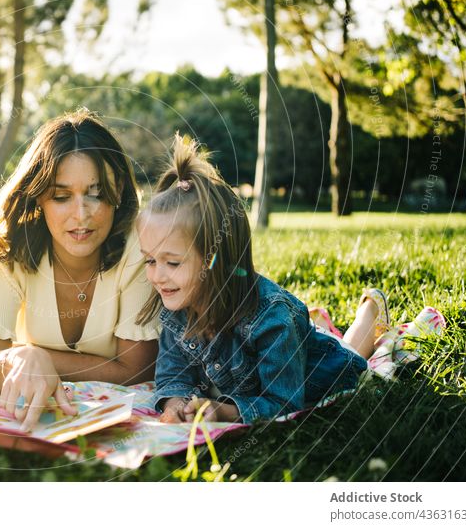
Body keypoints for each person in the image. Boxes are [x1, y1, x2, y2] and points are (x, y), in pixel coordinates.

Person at [136, 135, 390, 425]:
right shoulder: (176, 305)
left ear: (214, 259)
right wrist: (175, 404)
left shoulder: (271, 318)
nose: (157, 275)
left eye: (172, 262)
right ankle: (319, 328)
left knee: (353, 356)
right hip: (293, 345)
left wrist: (224, 412)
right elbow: (173, 374)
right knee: (319, 337)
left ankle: (370, 310)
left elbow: (283, 402)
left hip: (323, 373)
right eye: (150, 260)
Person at [0, 109, 159, 430]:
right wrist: (13, 360)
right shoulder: (5, 248)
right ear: (39, 198)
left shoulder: (141, 247)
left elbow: (137, 371)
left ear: (118, 191)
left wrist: (34, 355)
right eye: (61, 196)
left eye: (97, 193)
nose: (81, 214)